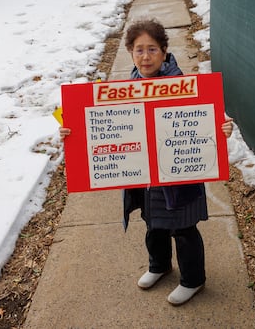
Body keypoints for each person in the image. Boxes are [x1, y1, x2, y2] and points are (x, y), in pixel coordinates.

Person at [60, 18, 233, 306]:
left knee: (183, 227)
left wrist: (222, 128)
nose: (145, 56)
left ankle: (193, 280)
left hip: (179, 176)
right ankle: (160, 265)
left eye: (152, 49)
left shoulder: (183, 84)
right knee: (153, 223)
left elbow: (205, 123)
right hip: (147, 179)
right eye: (139, 50)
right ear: (130, 52)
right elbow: (96, 124)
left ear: (164, 51)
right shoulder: (130, 86)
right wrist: (72, 133)